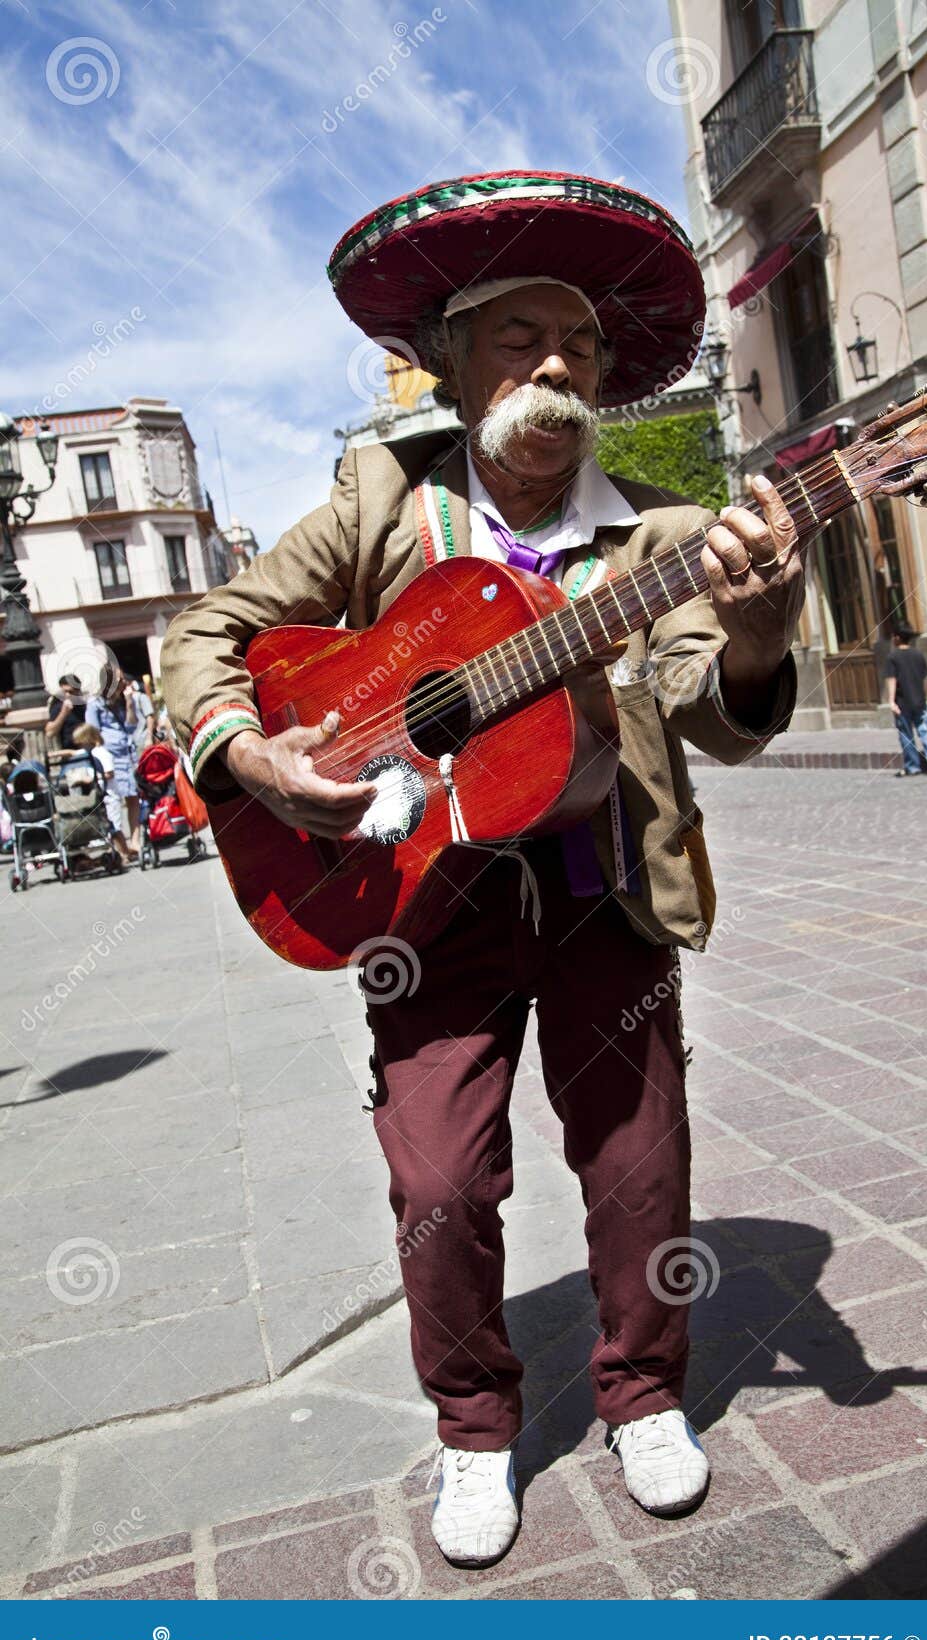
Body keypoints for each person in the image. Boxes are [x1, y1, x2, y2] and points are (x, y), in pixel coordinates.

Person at [161, 169, 804, 1569]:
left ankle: (639, 1392)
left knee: (638, 1165)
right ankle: (471, 1425)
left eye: (573, 340)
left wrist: (755, 634)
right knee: (439, 1181)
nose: (552, 364)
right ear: (451, 364)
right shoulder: (379, 495)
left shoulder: (661, 542)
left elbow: (710, 700)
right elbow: (208, 630)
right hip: (419, 906)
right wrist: (249, 753)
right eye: (514, 337)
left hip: (598, 893)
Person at [85, 673, 142, 847]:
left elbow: (131, 726)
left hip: (127, 753)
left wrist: (130, 703)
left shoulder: (121, 702)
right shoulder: (94, 704)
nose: (124, 685)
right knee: (113, 800)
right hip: (109, 757)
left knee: (133, 797)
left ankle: (135, 840)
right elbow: (92, 732)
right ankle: (121, 846)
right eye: (120, 683)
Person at [71, 722, 134, 862]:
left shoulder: (102, 752)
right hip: (98, 795)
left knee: (115, 826)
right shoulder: (90, 754)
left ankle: (124, 853)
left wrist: (90, 779)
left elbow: (109, 773)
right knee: (106, 826)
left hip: (110, 794)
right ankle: (116, 852)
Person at [886, 624, 927, 776]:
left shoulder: (893, 657)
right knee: (925, 729)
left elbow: (892, 680)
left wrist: (891, 701)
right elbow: (924, 679)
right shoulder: (918, 654)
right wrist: (924, 696)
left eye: (892, 636)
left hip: (902, 702)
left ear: (897, 637)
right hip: (919, 700)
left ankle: (912, 766)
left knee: (906, 734)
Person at [45, 673, 87, 755]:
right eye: (65, 692)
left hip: (86, 748)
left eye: (71, 692)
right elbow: (50, 732)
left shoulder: (85, 706)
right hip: (69, 753)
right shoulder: (58, 707)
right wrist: (64, 713)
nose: (67, 695)